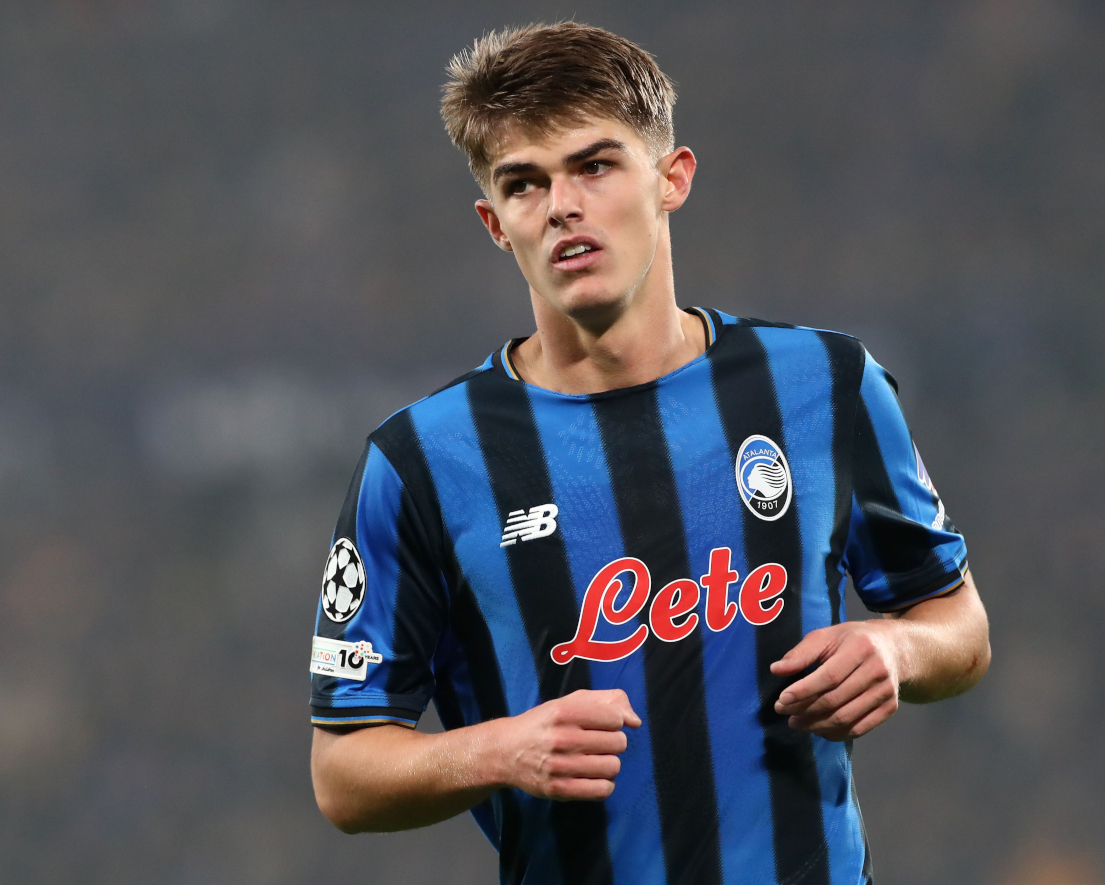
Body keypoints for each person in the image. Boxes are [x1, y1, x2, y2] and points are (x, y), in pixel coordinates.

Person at [308, 22, 990, 885]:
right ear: (493, 222)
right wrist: (498, 749)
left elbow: (959, 626)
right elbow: (342, 773)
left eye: (595, 166)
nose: (562, 206)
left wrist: (898, 652)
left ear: (673, 179)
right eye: (525, 183)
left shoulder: (825, 382)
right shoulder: (423, 461)